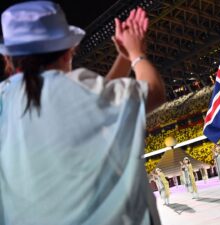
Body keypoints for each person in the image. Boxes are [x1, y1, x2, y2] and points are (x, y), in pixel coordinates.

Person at [0, 2, 164, 225]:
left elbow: (93, 105)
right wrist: (136, 54)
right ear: (68, 52)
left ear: (8, 59)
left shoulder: (4, 98)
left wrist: (123, 58)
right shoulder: (78, 85)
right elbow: (153, 92)